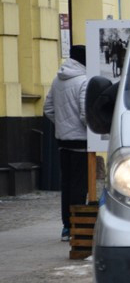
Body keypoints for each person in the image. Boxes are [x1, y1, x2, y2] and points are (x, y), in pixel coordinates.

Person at [44, 45, 89, 242]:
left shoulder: (57, 79)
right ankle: (77, 225)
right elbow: (85, 114)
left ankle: (66, 226)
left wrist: (62, 125)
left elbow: (48, 109)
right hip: (81, 140)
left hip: (62, 140)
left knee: (67, 184)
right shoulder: (85, 80)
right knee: (80, 185)